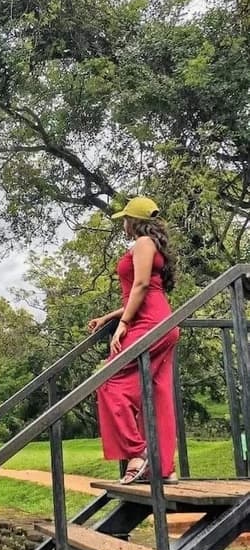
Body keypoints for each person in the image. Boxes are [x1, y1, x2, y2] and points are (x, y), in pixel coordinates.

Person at [87, 196, 180, 485]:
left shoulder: (142, 243)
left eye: (125, 219)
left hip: (149, 324)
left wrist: (123, 323)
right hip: (161, 321)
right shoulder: (150, 245)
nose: (123, 225)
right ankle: (163, 468)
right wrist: (111, 317)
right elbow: (144, 290)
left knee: (108, 381)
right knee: (158, 395)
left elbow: (140, 286)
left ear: (135, 221)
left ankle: (137, 454)